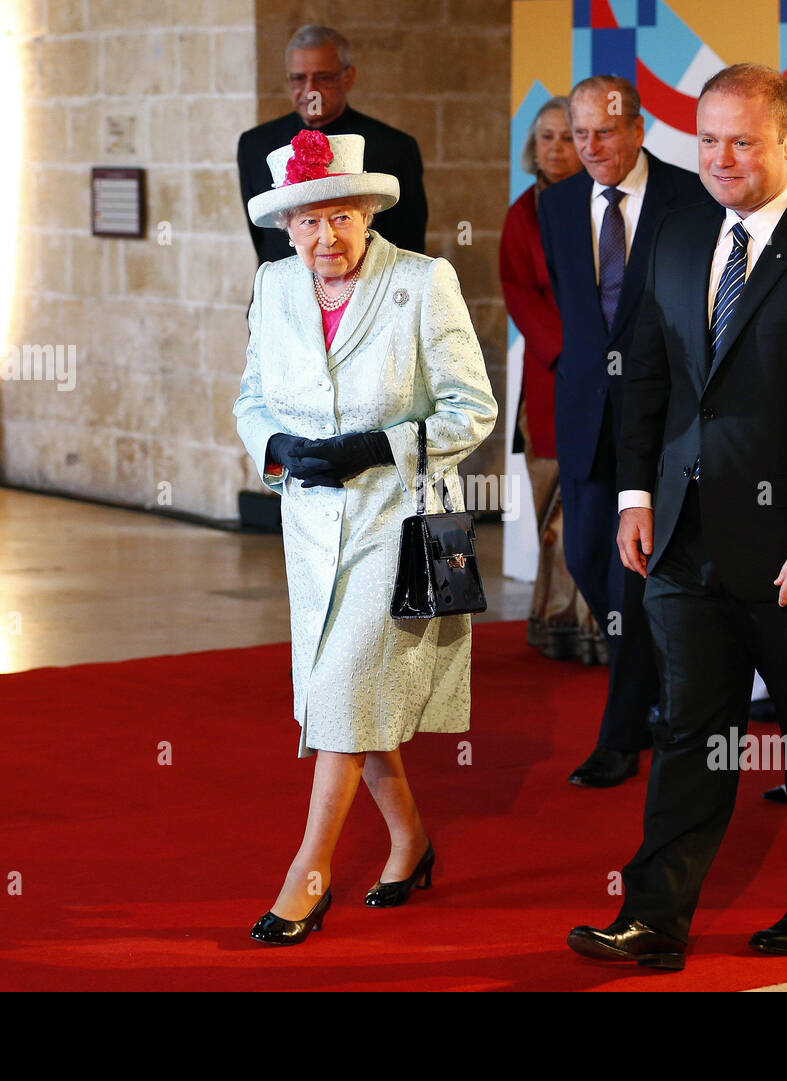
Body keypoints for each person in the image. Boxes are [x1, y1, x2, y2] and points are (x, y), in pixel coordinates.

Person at [567, 63, 787, 969]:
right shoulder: (674, 237)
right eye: (707, 138)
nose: (721, 157)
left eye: (743, 140)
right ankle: (654, 916)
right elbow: (647, 374)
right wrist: (637, 494)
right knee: (688, 729)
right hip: (683, 538)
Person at [232, 130, 497, 945]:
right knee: (346, 698)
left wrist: (376, 445)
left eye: (342, 217)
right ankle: (411, 842)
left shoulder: (423, 281)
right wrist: (277, 451)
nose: (327, 238)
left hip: (398, 521)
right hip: (309, 526)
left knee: (341, 691)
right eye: (309, 224)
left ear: (369, 211)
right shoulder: (275, 286)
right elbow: (251, 398)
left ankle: (306, 877)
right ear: (287, 229)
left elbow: (473, 408)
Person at [538, 75, 708, 787]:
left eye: (604, 133)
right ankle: (671, 681)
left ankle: (620, 735)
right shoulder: (557, 204)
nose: (591, 146)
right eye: (579, 134)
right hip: (583, 414)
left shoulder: (691, 198)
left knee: (636, 577)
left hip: (661, 420)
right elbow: (572, 310)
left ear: (638, 129)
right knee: (584, 557)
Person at [499, 97, 601, 663]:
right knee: (553, 521)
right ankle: (557, 618)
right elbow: (519, 290)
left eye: (568, 136)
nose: (557, 148)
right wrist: (572, 349)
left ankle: (601, 626)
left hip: (608, 375)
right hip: (553, 376)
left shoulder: (604, 203)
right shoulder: (523, 214)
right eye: (546, 137)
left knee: (598, 511)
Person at [237, 25, 428, 265]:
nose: (310, 90)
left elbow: (409, 245)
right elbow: (262, 239)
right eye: (298, 79)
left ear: (347, 78)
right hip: (283, 296)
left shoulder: (395, 147)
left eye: (323, 77)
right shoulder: (254, 144)